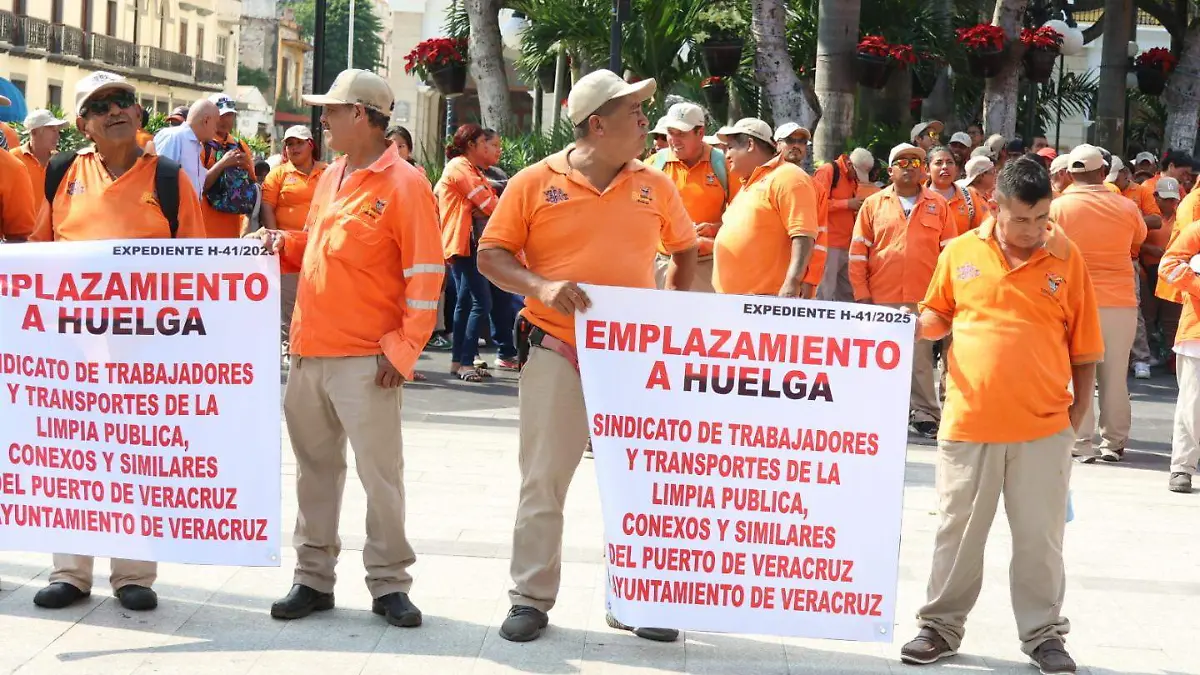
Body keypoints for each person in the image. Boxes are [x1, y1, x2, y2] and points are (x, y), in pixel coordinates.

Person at [477, 69, 697, 644]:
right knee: (544, 479)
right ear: (598, 125)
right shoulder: (531, 182)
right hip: (555, 346)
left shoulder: (656, 184)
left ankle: (639, 597)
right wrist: (542, 287)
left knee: (640, 483)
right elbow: (491, 255)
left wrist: (669, 312)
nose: (646, 122)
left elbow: (685, 247)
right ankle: (529, 598)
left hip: (632, 358)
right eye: (634, 113)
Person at [252, 68, 443, 628]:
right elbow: (319, 244)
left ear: (361, 115)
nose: (322, 121)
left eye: (331, 111)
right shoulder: (334, 174)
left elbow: (426, 276)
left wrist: (403, 351)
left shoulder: (406, 185)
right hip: (310, 350)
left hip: (368, 360)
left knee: (379, 476)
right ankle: (312, 578)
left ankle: (389, 584)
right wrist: (280, 243)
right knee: (315, 470)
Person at [901, 156, 1101, 675]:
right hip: (969, 424)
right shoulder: (961, 252)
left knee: (1040, 540)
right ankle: (940, 627)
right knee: (957, 532)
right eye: (1021, 220)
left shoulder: (1066, 255)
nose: (1034, 231)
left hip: (1043, 429)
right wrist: (911, 324)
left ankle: (1043, 636)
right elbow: (937, 315)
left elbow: (1085, 351)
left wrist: (1075, 421)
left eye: (1042, 219)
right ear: (995, 206)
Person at [30, 71, 206, 611]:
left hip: (143, 352)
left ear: (139, 112)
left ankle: (133, 575)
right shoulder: (62, 172)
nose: (116, 110)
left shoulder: (170, 177)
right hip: (72, 353)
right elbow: (38, 253)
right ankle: (70, 572)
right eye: (101, 105)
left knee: (135, 458)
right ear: (82, 124)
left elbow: (197, 266)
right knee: (74, 458)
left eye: (124, 100)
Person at [850, 143, 957, 438]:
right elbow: (858, 252)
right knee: (878, 358)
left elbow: (950, 255)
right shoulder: (873, 204)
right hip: (880, 297)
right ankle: (877, 412)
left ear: (923, 170)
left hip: (923, 298)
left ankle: (924, 414)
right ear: (890, 170)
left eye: (916, 162)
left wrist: (945, 296)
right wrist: (862, 294)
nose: (909, 167)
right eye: (902, 162)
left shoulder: (939, 205)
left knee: (920, 360)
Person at [1050, 144, 1147, 463]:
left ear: (1069, 175)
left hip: (1073, 301)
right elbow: (1139, 240)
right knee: (1115, 376)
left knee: (1078, 374)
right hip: (1119, 301)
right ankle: (1114, 443)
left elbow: (1049, 248)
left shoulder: (1058, 207)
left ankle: (1080, 442)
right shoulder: (1125, 206)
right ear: (1103, 173)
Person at [710, 117, 817, 297]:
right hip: (735, 302)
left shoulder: (788, 176)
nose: (726, 155)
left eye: (730, 148)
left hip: (766, 302)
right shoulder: (749, 184)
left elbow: (803, 235)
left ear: (750, 144)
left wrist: (792, 282)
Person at [435, 124, 508, 381]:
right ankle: (465, 363)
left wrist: (479, 207)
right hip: (465, 243)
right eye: (487, 143)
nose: (492, 149)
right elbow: (489, 204)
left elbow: (484, 204)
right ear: (472, 145)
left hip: (466, 243)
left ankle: (458, 362)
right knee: (481, 302)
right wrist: (479, 208)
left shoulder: (470, 169)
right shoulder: (460, 167)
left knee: (466, 303)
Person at [645, 102, 733, 292]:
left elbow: (741, 216)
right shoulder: (653, 164)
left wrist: (715, 229)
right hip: (662, 263)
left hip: (706, 266)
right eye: (670, 132)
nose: (674, 140)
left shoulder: (722, 165)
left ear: (700, 133)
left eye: (682, 134)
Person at [260, 124, 327, 351]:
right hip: (287, 249)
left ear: (311, 145)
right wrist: (275, 236)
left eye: (299, 142)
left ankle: (311, 345)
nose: (293, 147)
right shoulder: (278, 173)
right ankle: (289, 346)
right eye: (289, 143)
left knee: (317, 298)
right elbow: (268, 207)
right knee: (289, 301)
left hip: (319, 249)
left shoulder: (328, 173)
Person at [1159, 216, 1200, 493]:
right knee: (1192, 406)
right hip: (1196, 334)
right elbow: (1169, 266)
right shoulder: (1196, 231)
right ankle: (1182, 467)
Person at [813, 147, 873, 302]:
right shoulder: (828, 171)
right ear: (850, 164)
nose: (858, 178)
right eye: (858, 174)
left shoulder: (851, 179)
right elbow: (815, 204)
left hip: (847, 245)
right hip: (828, 244)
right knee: (824, 293)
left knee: (847, 294)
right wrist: (847, 204)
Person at [773, 122, 826, 296]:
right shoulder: (760, 178)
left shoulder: (816, 188)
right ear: (776, 144)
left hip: (793, 284)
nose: (796, 145)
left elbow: (820, 238)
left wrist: (809, 280)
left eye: (802, 141)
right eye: (790, 140)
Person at [200, 93, 255, 238]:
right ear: (208, 117)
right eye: (220, 115)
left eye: (229, 115)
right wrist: (223, 163)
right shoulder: (200, 145)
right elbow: (198, 187)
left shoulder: (240, 146)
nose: (225, 120)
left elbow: (252, 184)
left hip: (232, 232)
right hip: (204, 230)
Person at [1143, 178, 1183, 364]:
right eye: (1165, 199)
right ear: (1155, 196)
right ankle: (1147, 353)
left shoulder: (1182, 218)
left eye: (1172, 199)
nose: (1169, 203)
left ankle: (1171, 355)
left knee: (1171, 317)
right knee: (1147, 315)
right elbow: (1134, 241)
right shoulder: (1147, 218)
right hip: (1148, 271)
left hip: (1172, 274)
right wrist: (1149, 249)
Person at [153, 98, 219, 196]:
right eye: (216, 123)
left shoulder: (196, 145)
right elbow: (157, 183)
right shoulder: (174, 137)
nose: (216, 129)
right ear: (206, 120)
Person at [928, 146, 982, 235]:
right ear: (927, 169)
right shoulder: (918, 198)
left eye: (949, 162)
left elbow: (979, 232)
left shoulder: (969, 196)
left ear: (956, 169)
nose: (945, 167)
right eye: (938, 163)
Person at [11, 109, 67, 195]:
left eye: (58, 131)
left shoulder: (61, 161)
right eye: (53, 131)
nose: (58, 136)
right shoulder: (13, 158)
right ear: (34, 132)